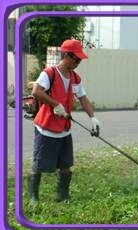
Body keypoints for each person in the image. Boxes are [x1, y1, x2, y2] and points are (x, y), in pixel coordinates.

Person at [28, 39, 101, 204]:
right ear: (67, 56)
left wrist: (93, 118)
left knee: (66, 164)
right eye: (77, 59)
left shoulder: (75, 78)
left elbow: (83, 98)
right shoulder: (50, 73)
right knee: (39, 163)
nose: (79, 63)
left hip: (64, 128)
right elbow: (36, 91)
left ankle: (63, 195)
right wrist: (56, 104)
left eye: (80, 60)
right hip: (46, 127)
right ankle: (33, 197)